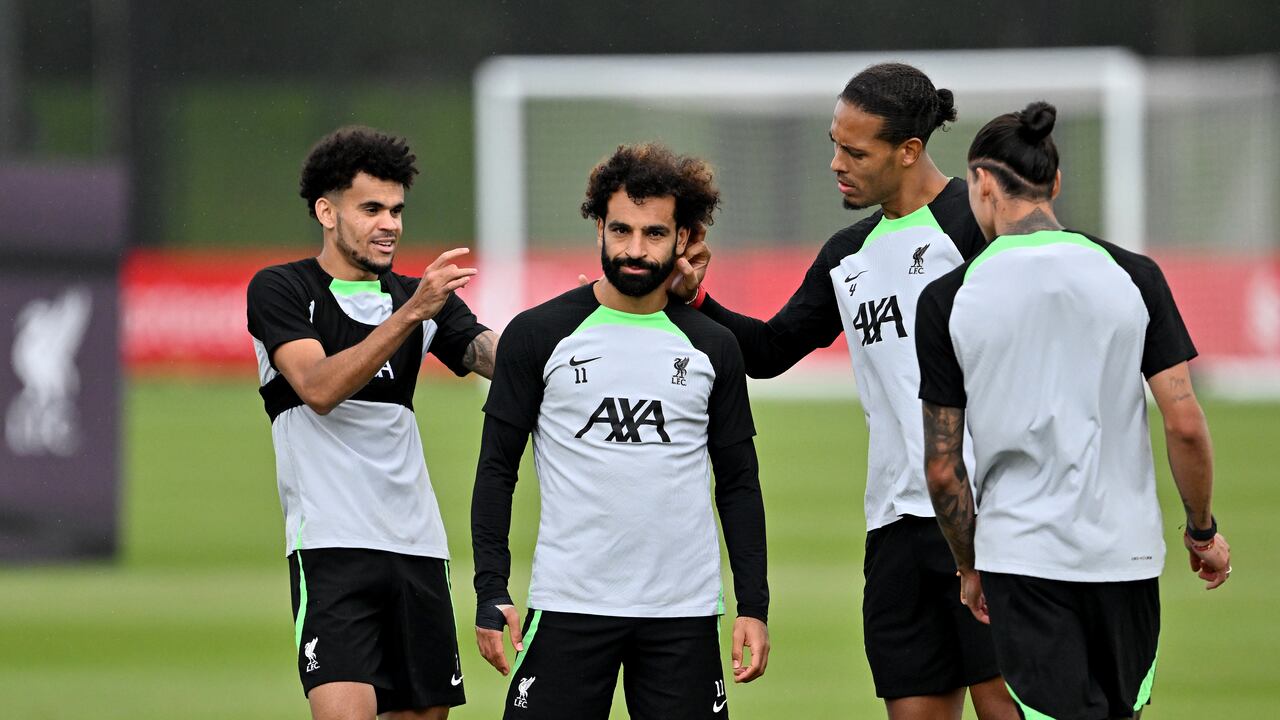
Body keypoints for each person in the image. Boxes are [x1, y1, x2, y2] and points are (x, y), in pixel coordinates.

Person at [668, 63, 1015, 719]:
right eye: (834, 143)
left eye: (854, 151)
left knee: (1005, 705)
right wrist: (697, 299)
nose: (836, 163)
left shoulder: (977, 225)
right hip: (895, 528)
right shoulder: (846, 255)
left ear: (909, 151)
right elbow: (769, 351)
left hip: (991, 520)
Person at [917, 101, 1231, 720]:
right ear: (1054, 184)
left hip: (1022, 558)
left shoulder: (949, 298)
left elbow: (943, 470)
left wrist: (968, 565)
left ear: (981, 183)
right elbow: (1186, 424)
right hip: (1128, 558)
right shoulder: (1134, 275)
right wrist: (1201, 531)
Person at [471, 142, 770, 719]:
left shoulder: (714, 345)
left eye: (655, 234)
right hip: (567, 607)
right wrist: (491, 590)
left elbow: (739, 483)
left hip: (682, 614)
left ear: (684, 239)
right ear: (599, 229)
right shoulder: (539, 335)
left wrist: (753, 605)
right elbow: (495, 469)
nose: (635, 250)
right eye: (621, 230)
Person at [246, 126, 498, 720]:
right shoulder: (282, 289)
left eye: (396, 210)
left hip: (417, 546)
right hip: (332, 548)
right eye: (372, 209)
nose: (389, 223)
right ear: (326, 212)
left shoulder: (419, 298)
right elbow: (319, 388)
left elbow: (502, 361)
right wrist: (414, 314)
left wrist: (610, 308)